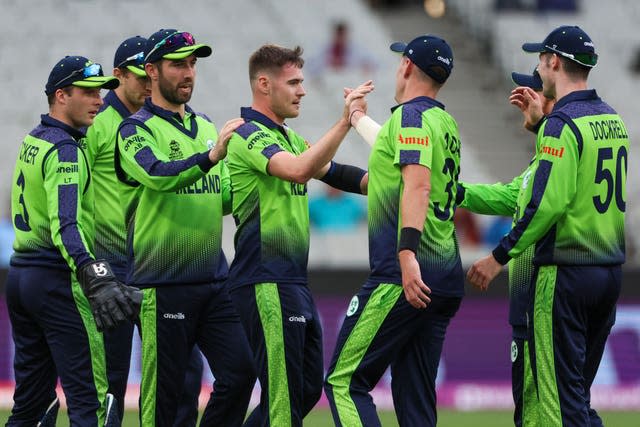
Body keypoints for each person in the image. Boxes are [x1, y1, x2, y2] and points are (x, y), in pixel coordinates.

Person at [467, 25, 628, 426]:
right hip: (608, 272)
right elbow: (576, 180)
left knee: (558, 404)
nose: (538, 69)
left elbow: (546, 204)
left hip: (566, 273)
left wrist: (498, 256)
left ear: (553, 62)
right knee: (575, 395)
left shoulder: (563, 124)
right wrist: (542, 127)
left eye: (540, 60)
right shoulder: (612, 120)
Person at [225, 44, 372, 427]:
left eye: (302, 82)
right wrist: (345, 121)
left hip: (292, 281)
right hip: (264, 279)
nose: (302, 90)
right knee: (283, 400)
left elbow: (336, 173)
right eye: (293, 82)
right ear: (263, 84)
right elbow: (298, 170)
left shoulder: (286, 136)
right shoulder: (248, 135)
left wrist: (394, 180)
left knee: (305, 391)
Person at [114, 29, 255, 427]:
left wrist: (269, 181)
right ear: (152, 70)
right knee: (166, 396)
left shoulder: (207, 126)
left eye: (193, 63)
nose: (189, 72)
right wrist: (211, 156)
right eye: (178, 63)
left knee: (242, 371)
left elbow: (223, 197)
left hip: (214, 280)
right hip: (162, 284)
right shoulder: (134, 130)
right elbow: (158, 175)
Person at [324, 34, 463, 427]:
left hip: (404, 275)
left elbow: (417, 184)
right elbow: (387, 167)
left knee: (343, 383)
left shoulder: (411, 118)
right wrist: (353, 119)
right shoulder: (442, 121)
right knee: (415, 397)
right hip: (445, 277)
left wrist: (406, 256)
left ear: (406, 66)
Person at [6, 55, 141, 426]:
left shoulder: (34, 138)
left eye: (100, 92)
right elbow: (65, 224)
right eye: (87, 92)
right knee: (91, 403)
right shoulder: (67, 149)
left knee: (31, 406)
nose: (98, 99)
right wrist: (93, 271)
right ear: (61, 96)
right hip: (56, 280)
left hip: (21, 277)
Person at [85, 35, 203, 426]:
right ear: (117, 75)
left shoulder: (162, 122)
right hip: (113, 263)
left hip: (159, 262)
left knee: (183, 371)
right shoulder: (98, 123)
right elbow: (78, 194)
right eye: (139, 77)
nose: (148, 85)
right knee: (113, 374)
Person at [457, 67, 555, 426]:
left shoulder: (555, 154)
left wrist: (498, 258)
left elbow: (545, 208)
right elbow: (510, 195)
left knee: (540, 407)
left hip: (539, 298)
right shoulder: (540, 163)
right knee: (537, 404)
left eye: (531, 93)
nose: (521, 101)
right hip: (528, 303)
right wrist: (456, 191)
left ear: (549, 100)